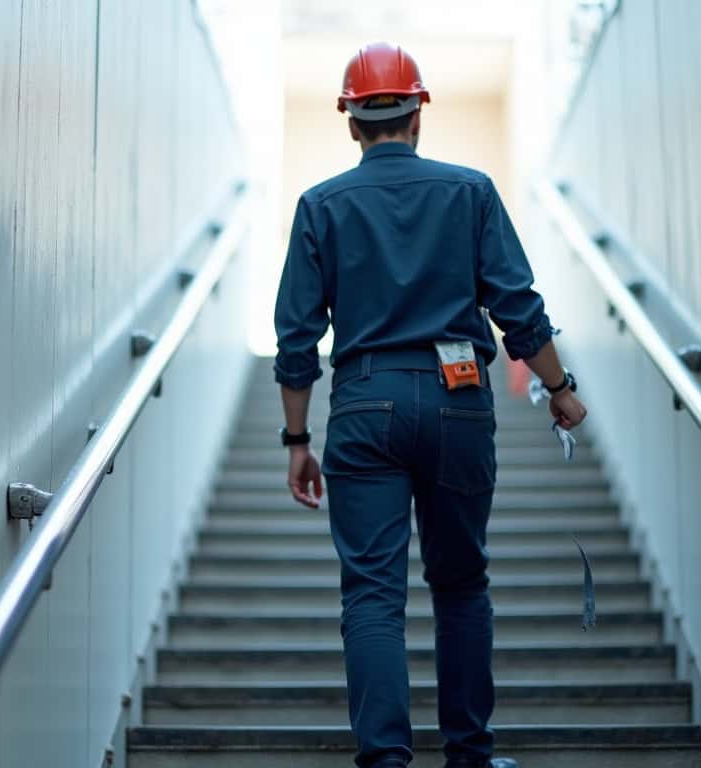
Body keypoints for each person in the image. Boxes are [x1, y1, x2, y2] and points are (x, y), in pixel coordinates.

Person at [272, 42, 588, 768]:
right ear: (419, 114)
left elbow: (297, 337)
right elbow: (518, 307)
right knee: (461, 583)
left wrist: (297, 438)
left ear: (352, 122)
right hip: (459, 403)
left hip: (363, 407)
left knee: (373, 596)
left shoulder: (320, 205)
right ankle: (469, 756)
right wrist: (560, 389)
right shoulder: (471, 191)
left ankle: (385, 760)